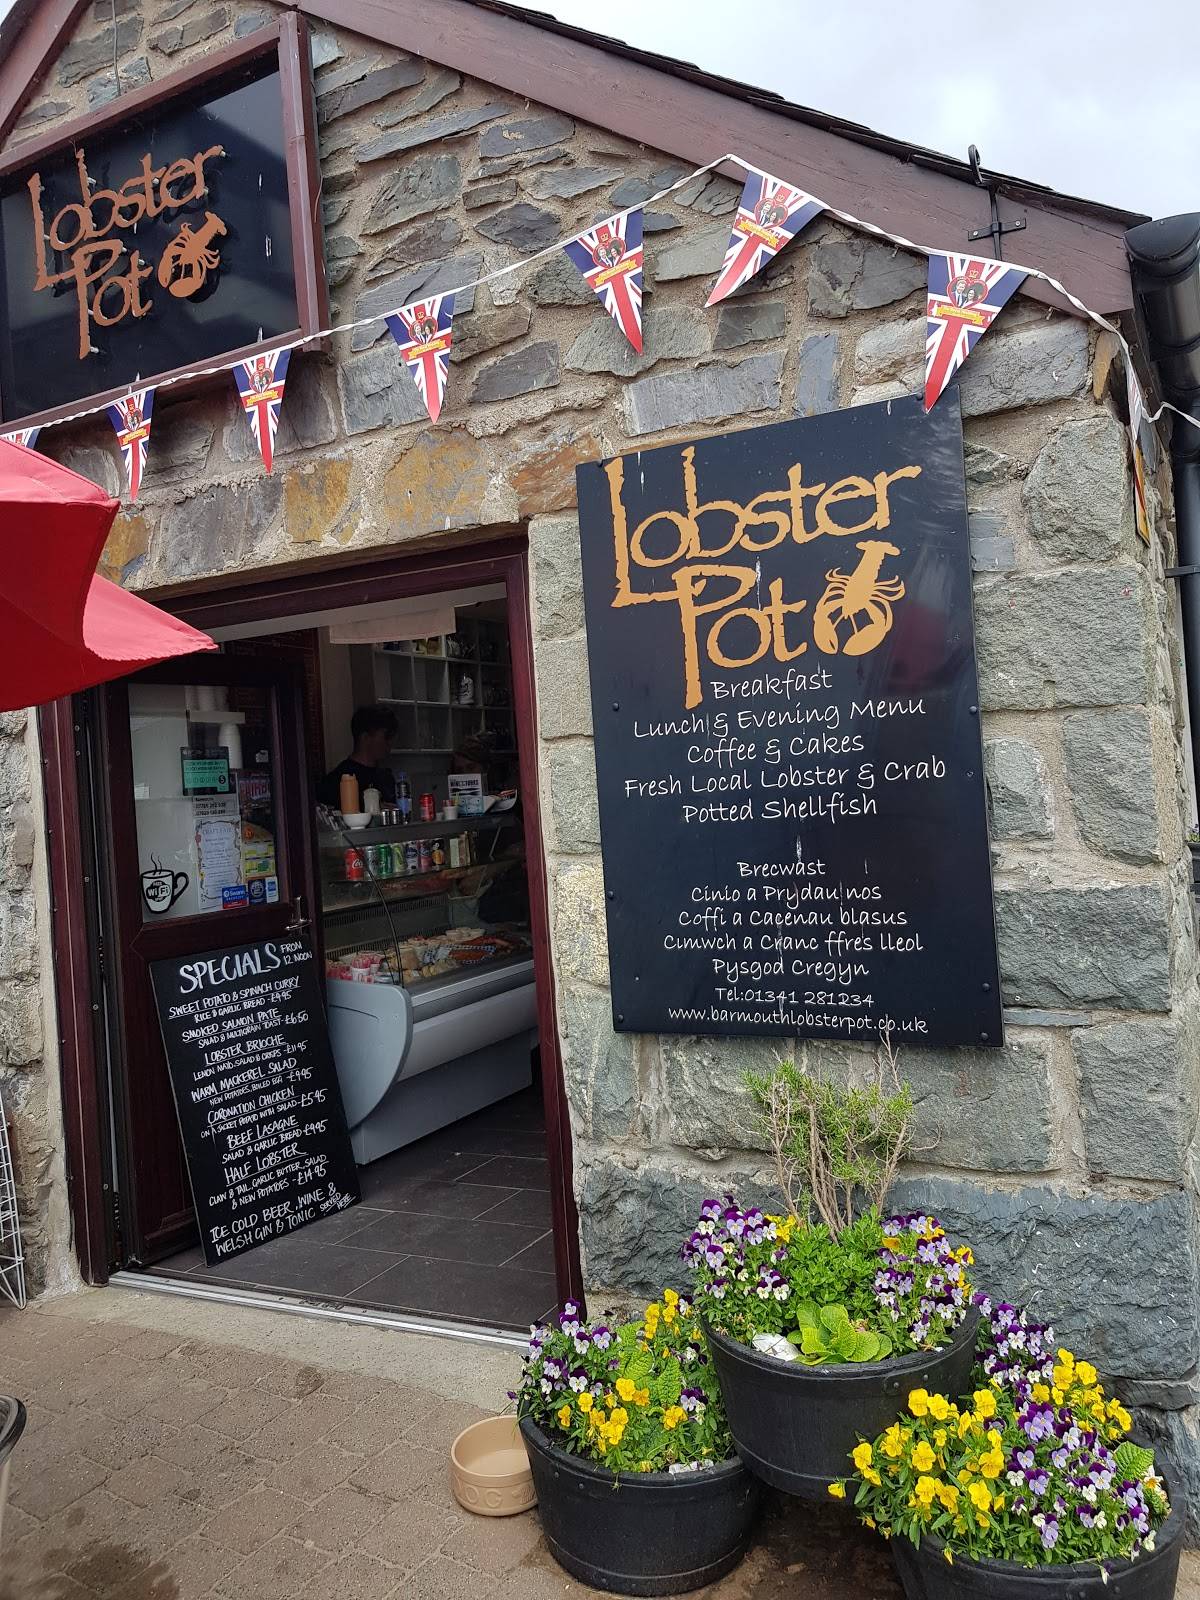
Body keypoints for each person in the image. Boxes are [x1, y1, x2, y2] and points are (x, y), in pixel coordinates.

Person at [317, 705, 398, 807]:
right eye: (386, 737)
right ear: (365, 737)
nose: (390, 743)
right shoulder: (336, 781)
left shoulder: (386, 778)